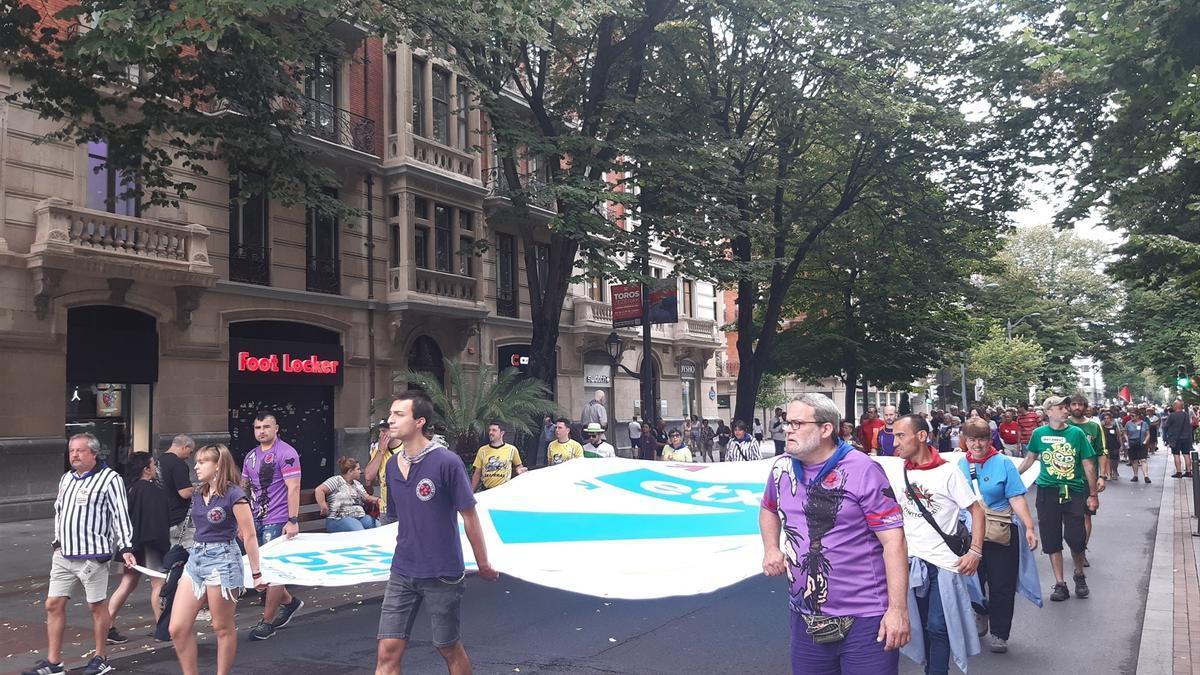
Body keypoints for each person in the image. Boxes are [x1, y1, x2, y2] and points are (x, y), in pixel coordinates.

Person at [759, 394, 909, 674]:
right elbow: (768, 508)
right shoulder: (781, 468)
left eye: (797, 423)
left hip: (865, 616)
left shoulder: (863, 469)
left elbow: (894, 541)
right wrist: (771, 548)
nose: (788, 429)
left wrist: (898, 610)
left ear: (826, 429)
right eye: (787, 422)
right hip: (805, 616)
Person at [375, 391, 499, 675]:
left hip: (442, 573)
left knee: (447, 647)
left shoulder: (447, 462)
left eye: (399, 415)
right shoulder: (393, 465)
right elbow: (398, 520)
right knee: (387, 651)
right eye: (391, 414)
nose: (390, 420)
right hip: (402, 571)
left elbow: (469, 517)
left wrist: (483, 564)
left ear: (419, 421)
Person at [24, 433, 136, 675]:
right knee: (53, 604)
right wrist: (56, 542)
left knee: (96, 607)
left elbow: (120, 515)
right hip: (64, 555)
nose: (74, 455)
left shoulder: (110, 479)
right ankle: (54, 663)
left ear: (94, 453)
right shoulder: (67, 478)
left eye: (79, 451)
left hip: (92, 556)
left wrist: (126, 547)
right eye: (71, 450)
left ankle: (100, 657)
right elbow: (60, 512)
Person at [888, 415, 985, 675]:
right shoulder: (899, 472)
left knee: (938, 627)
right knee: (921, 627)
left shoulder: (948, 472)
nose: (894, 442)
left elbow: (976, 511)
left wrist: (975, 551)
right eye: (893, 435)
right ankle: (932, 668)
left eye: (900, 435)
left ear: (921, 436)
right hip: (911, 564)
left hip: (944, 565)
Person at [169, 444, 268, 675]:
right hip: (197, 558)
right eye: (197, 461)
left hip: (223, 560)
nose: (196, 466)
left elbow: (250, 535)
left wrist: (256, 572)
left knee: (221, 627)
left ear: (218, 465)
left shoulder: (234, 494)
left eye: (203, 461)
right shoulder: (198, 492)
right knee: (177, 628)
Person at [956, 419, 1040, 655]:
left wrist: (1029, 527)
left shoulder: (1003, 463)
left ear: (989, 439)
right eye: (972, 439)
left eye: (982, 439)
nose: (977, 444)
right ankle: (981, 611)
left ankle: (1000, 633)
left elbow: (1016, 497)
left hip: (1001, 532)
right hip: (971, 534)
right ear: (966, 440)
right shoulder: (960, 465)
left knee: (1001, 584)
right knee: (971, 580)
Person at [1017, 396, 1100, 602]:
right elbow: (1030, 459)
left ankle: (1079, 575)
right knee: (1051, 539)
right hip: (1047, 492)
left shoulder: (1077, 433)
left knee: (1076, 538)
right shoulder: (1039, 434)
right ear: (1049, 412)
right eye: (1061, 407)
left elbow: (1088, 464)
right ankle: (1060, 583)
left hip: (1072, 491)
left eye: (1066, 407)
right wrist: (1013, 477)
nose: (1065, 411)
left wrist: (1093, 494)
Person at [242, 412, 304, 641]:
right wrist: (243, 520)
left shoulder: (286, 453)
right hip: (255, 518)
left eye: (266, 427)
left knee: (273, 570)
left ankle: (267, 622)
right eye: (257, 427)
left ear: (276, 428)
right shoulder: (250, 457)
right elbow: (245, 488)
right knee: (261, 568)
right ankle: (291, 603)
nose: (261, 431)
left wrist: (293, 519)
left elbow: (293, 487)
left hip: (278, 518)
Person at [106, 453, 170, 645]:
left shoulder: (130, 488)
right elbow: (158, 520)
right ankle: (162, 627)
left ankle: (106, 625)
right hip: (151, 542)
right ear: (146, 469)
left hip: (131, 543)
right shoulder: (152, 489)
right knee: (158, 583)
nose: (155, 468)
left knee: (127, 583)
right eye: (153, 464)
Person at [1067, 394, 1107, 562]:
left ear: (1085, 407)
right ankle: (1074, 547)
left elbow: (1101, 452)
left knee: (1086, 515)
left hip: (1086, 480)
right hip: (1066, 480)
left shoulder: (1094, 427)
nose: (1077, 407)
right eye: (1074, 404)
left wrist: (1102, 476)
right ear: (1069, 407)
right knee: (1068, 516)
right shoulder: (1063, 425)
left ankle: (1081, 550)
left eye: (1080, 404)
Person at [316, 457, 381, 531]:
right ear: (350, 471)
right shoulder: (336, 480)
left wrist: (378, 500)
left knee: (379, 527)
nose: (360, 472)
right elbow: (319, 490)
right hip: (338, 518)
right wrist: (323, 507)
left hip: (360, 516)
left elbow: (367, 497)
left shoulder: (357, 484)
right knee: (358, 529)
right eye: (358, 469)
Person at [158, 434, 196, 548]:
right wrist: (201, 488)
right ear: (185, 447)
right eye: (190, 452)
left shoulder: (158, 461)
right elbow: (184, 492)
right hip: (179, 519)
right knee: (184, 551)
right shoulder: (178, 464)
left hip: (163, 517)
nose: (189, 457)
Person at [470, 421, 528, 490]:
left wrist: (519, 470)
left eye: (494, 430)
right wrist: (471, 493)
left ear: (502, 433)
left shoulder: (512, 449)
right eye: (490, 430)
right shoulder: (482, 450)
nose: (491, 433)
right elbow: (477, 473)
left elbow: (518, 466)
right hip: (487, 489)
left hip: (504, 490)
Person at [365, 420, 401, 525]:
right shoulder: (377, 451)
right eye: (380, 431)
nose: (381, 435)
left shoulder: (406, 449)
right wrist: (381, 451)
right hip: (385, 508)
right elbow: (368, 476)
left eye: (384, 431)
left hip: (404, 506)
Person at [1164, 399, 1194, 478]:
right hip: (1186, 438)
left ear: (1175, 406)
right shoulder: (1186, 415)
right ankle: (1188, 472)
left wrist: (1166, 436)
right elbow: (1190, 424)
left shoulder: (1172, 415)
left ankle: (1179, 472)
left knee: (1176, 455)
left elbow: (1166, 426)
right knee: (1186, 455)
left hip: (1175, 438)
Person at [1124, 411, 1150, 483]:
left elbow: (1148, 434)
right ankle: (1135, 475)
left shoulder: (1144, 424)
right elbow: (1125, 432)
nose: (1131, 417)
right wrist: (1127, 440)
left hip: (1141, 443)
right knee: (1134, 460)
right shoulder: (1128, 423)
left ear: (1138, 416)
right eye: (1131, 416)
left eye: (1133, 415)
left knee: (1143, 459)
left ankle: (1146, 476)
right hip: (1132, 443)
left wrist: (1145, 441)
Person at [1099, 412, 1124, 480]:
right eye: (1105, 418)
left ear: (1111, 419)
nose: (1106, 420)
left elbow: (1119, 436)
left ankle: (1115, 471)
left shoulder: (1114, 427)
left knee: (1114, 460)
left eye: (1108, 418)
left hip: (1114, 445)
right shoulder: (1102, 428)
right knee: (1107, 460)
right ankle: (1109, 473)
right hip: (1106, 446)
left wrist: (1121, 445)